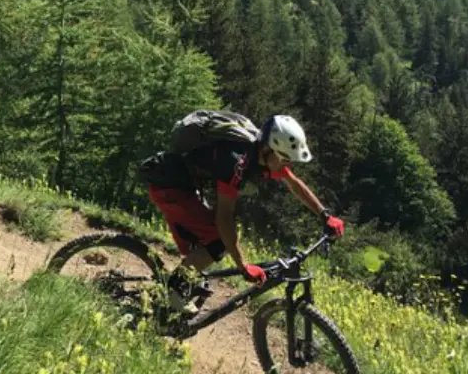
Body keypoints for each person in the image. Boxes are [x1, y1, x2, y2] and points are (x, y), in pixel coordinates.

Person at [144, 112, 345, 315]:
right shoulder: (237, 162)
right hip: (171, 187)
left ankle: (170, 297)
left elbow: (293, 183)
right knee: (218, 242)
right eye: (285, 160)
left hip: (187, 184)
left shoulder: (261, 153)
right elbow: (224, 217)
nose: (288, 165)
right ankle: (170, 293)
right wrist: (243, 265)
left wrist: (324, 215)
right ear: (268, 149)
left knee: (203, 251)